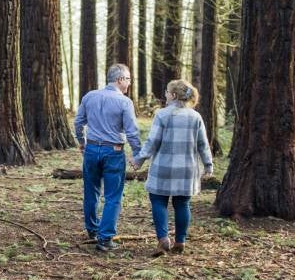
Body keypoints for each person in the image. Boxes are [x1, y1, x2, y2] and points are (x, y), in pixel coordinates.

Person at [132, 79, 214, 256]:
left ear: (174, 95)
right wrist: (208, 164)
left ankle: (163, 239)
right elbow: (203, 144)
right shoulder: (195, 116)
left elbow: (152, 141)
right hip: (187, 169)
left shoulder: (162, 114)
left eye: (167, 92)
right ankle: (180, 241)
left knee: (158, 200)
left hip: (164, 166)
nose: (165, 95)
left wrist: (139, 159)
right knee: (182, 203)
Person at [73, 64, 142, 252]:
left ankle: (93, 230)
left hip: (92, 149)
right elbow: (132, 132)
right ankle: (105, 239)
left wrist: (82, 141)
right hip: (114, 152)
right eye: (128, 79)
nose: (129, 83)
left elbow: (78, 122)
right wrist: (138, 154)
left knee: (91, 191)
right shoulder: (124, 102)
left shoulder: (89, 96)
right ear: (119, 80)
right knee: (113, 196)